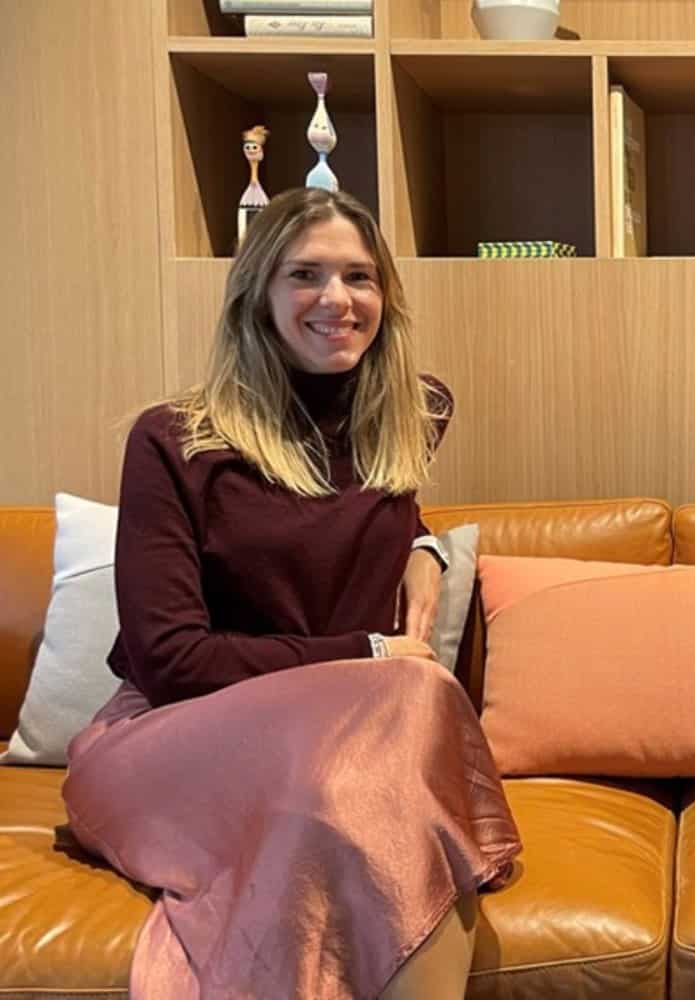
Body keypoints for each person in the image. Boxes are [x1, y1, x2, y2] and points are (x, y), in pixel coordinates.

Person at [61, 186, 520, 999]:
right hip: (179, 735)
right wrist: (368, 651)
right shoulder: (174, 440)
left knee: (374, 774)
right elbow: (170, 660)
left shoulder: (414, 412)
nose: (336, 301)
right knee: (412, 692)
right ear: (258, 294)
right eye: (305, 275)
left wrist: (424, 545)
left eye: (360, 277)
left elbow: (357, 511)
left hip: (337, 743)